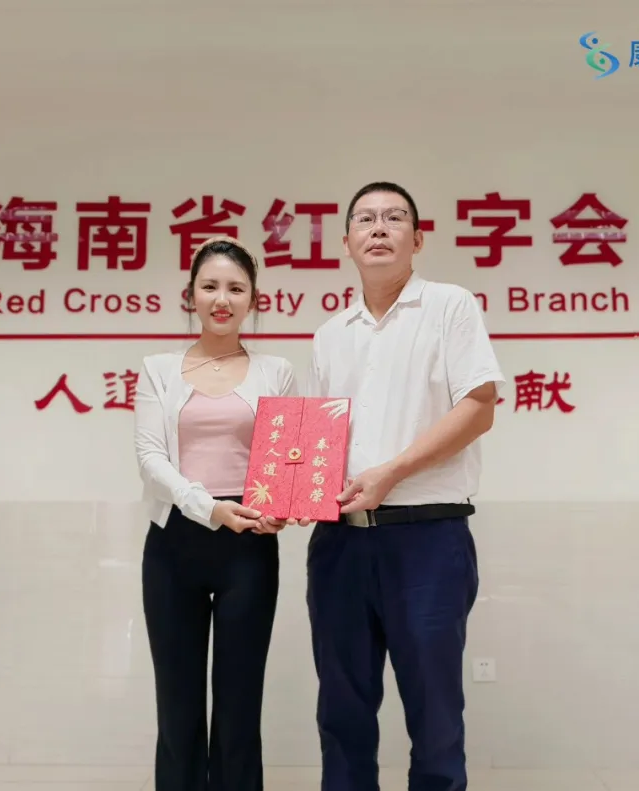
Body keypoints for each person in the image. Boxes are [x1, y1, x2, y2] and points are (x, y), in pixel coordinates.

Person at [298, 182, 505, 791]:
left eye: (394, 218)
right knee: (341, 712)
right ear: (347, 242)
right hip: (339, 543)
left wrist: (391, 473)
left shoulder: (449, 307)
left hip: (427, 539)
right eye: (365, 219)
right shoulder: (329, 334)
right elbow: (318, 441)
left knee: (434, 712)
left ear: (417, 239)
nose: (379, 228)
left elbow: (480, 407)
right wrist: (293, 494)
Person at [133, 237, 296, 791]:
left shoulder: (276, 371)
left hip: (248, 546)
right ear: (192, 295)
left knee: (239, 702)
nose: (221, 299)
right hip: (174, 542)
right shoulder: (158, 369)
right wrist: (208, 508)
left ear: (253, 299)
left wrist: (283, 506)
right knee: (177, 702)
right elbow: (150, 458)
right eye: (210, 286)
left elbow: (288, 458)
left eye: (235, 288)